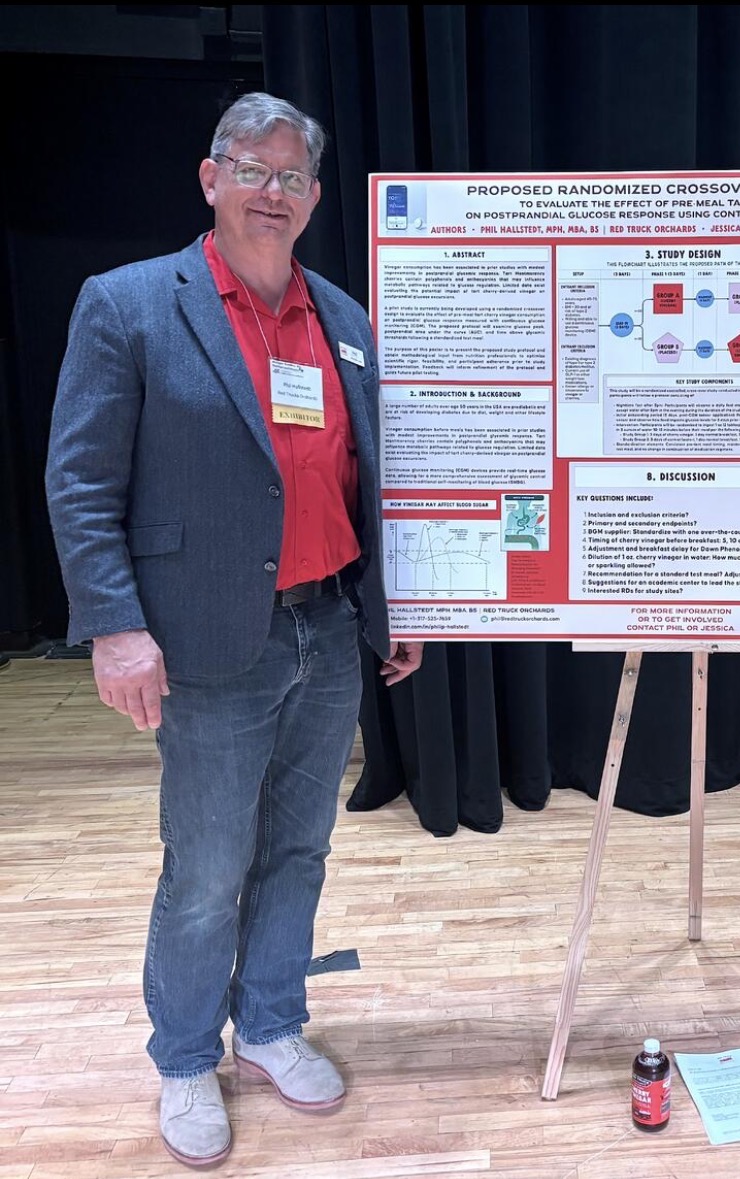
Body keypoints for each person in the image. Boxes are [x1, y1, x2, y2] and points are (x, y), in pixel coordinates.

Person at [45, 92, 423, 1167]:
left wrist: (396, 609)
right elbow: (80, 482)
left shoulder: (343, 320)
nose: (272, 191)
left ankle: (267, 1024)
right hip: (207, 642)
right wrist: (115, 626)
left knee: (300, 848)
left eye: (292, 176)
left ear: (314, 196)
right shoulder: (128, 304)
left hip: (325, 629)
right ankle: (182, 1055)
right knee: (208, 867)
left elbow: (370, 481)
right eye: (253, 169)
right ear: (211, 179)